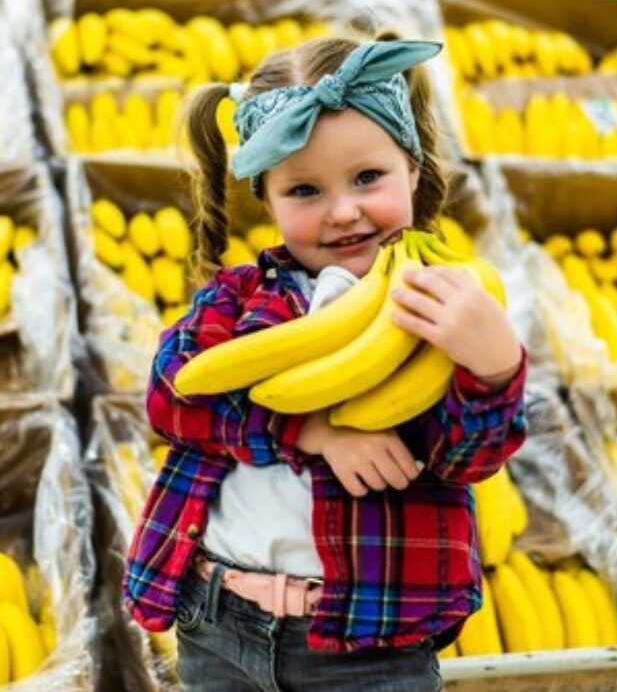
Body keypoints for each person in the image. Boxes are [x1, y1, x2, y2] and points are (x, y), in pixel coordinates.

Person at [124, 34, 527, 691]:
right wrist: (310, 432)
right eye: (305, 189)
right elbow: (174, 397)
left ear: (413, 170)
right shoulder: (237, 299)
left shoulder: (441, 311)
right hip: (218, 618)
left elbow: (468, 458)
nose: (344, 211)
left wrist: (494, 368)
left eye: (368, 177)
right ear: (269, 200)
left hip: (370, 642)